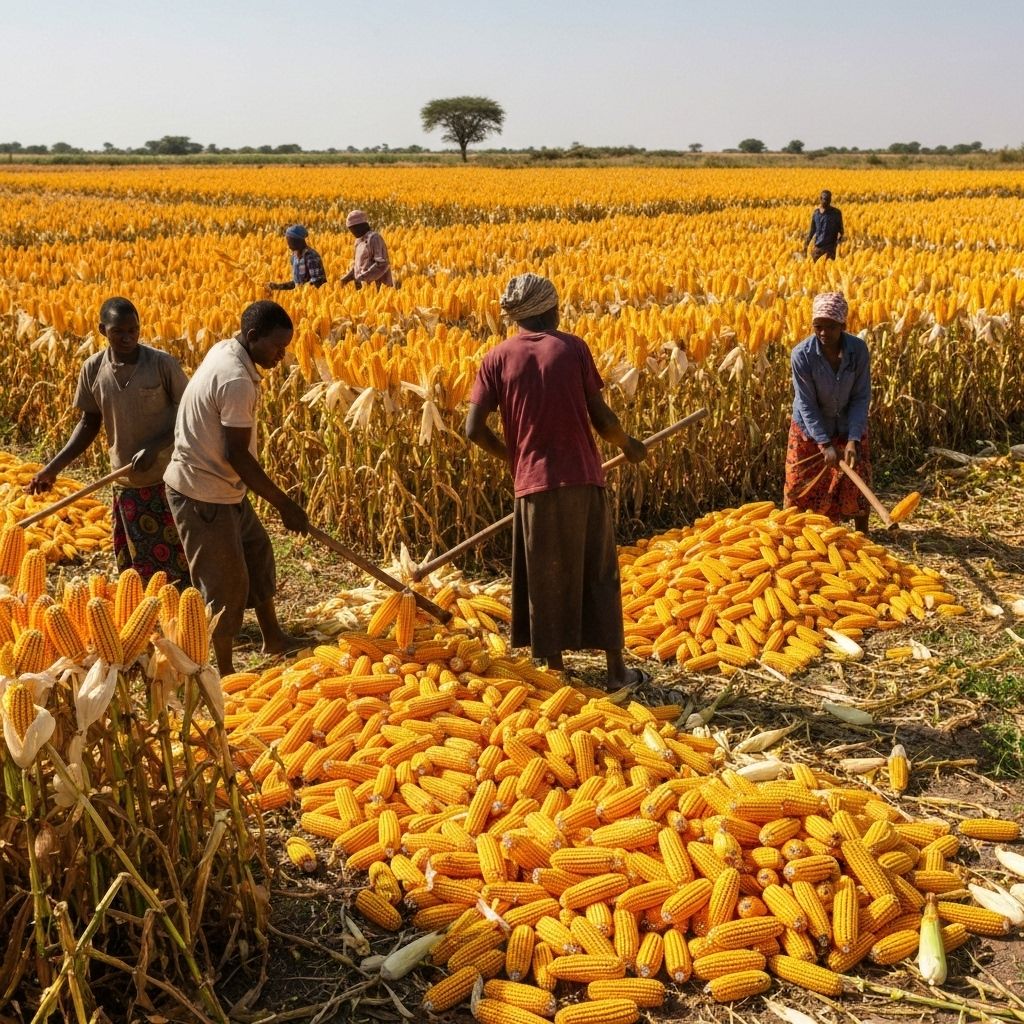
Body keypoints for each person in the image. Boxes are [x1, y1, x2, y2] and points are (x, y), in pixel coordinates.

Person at [465, 273, 649, 690]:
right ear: (550, 309)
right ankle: (617, 672)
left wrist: (514, 459)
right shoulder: (571, 348)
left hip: (533, 484)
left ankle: (555, 672)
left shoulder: (496, 358)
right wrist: (630, 444)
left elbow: (473, 429)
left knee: (542, 577)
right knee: (599, 572)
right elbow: (601, 418)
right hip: (583, 478)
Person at [164, 300, 310, 674]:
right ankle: (225, 672)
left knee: (258, 553)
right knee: (225, 584)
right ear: (252, 336)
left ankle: (273, 638)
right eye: (277, 346)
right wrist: (284, 504)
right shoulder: (236, 380)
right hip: (202, 492)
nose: (282, 355)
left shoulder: (229, 350)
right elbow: (238, 456)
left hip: (223, 487)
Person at [27, 297, 190, 584]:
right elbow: (89, 424)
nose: (127, 338)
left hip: (168, 479)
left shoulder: (161, 364)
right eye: (118, 331)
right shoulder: (92, 369)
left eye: (133, 330)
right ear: (103, 330)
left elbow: (190, 412)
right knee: (136, 568)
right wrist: (53, 468)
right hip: (126, 482)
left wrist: (156, 446)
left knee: (178, 563)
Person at [784, 292, 871, 533]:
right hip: (809, 430)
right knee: (798, 486)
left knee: (856, 482)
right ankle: (793, 535)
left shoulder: (858, 351)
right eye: (818, 327)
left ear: (843, 325)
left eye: (830, 327)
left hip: (847, 424)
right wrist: (824, 444)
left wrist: (853, 440)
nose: (823, 333)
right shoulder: (802, 355)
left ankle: (863, 538)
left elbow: (861, 396)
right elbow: (806, 404)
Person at [340, 210, 394, 289]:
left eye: (354, 228)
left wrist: (362, 278)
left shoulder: (374, 238)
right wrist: (347, 278)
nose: (352, 232)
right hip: (363, 290)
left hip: (379, 289)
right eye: (350, 229)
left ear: (362, 225)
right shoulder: (358, 241)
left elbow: (382, 264)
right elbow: (358, 266)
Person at [267, 224, 327, 291]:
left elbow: (318, 282)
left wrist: (301, 290)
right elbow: (296, 284)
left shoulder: (311, 256)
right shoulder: (294, 257)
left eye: (290, 242)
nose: (289, 246)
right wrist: (279, 287)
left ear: (298, 241)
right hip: (301, 296)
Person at [804, 190, 844, 261]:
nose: (826, 201)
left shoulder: (836, 213)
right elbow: (812, 231)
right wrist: (807, 243)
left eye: (828, 199)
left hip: (830, 249)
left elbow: (841, 231)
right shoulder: (816, 213)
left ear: (830, 200)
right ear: (820, 199)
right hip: (818, 249)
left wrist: (838, 243)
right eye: (824, 199)